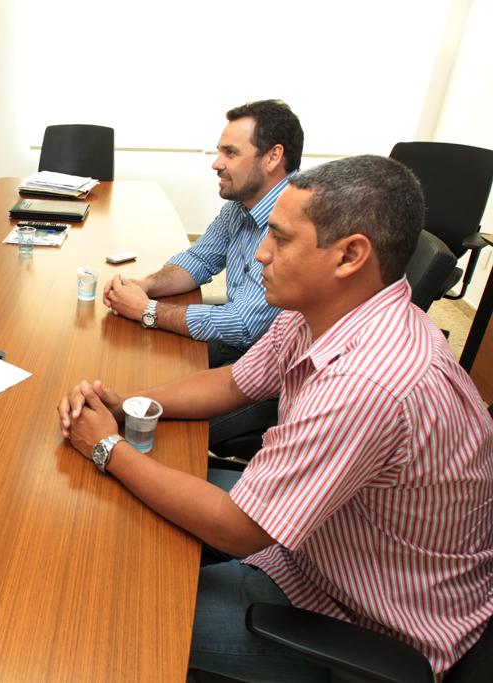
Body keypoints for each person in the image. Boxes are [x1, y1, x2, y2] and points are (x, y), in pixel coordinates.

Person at [58, 156, 493, 680]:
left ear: (350, 256)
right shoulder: (325, 309)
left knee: (111, 618)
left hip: (359, 618)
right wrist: (128, 405)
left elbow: (240, 529)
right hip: (314, 544)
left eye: (281, 239)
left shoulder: (368, 383)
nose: (261, 253)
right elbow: (233, 380)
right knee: (110, 525)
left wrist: (109, 446)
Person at [103, 99, 303, 367]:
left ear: (273, 157)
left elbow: (244, 325)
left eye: (230, 153)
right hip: (243, 351)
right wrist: (144, 286)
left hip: (272, 371)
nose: (217, 164)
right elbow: (200, 259)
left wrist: (147, 310)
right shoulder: (241, 204)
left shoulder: (297, 221)